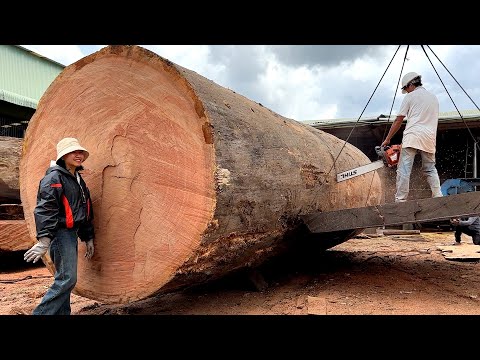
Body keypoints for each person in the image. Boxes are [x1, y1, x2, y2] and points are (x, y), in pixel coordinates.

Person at [24, 137, 95, 315]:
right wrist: (44, 240)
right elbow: (45, 209)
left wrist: (88, 237)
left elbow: (84, 209)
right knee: (67, 279)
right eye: (73, 152)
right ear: (63, 156)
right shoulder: (54, 178)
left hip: (71, 233)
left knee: (65, 279)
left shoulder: (76, 178)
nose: (78, 155)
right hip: (59, 233)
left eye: (80, 152)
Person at [381, 72, 443, 203]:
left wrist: (387, 139)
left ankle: (401, 200)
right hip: (429, 138)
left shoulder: (410, 97)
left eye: (406, 88)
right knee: (430, 168)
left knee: (404, 170)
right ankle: (438, 196)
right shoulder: (433, 98)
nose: (406, 91)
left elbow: (399, 120)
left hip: (412, 136)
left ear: (410, 84)